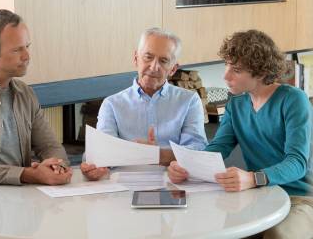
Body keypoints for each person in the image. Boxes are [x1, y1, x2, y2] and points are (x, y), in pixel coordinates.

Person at [168, 29, 313, 239]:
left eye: (236, 69)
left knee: (279, 236)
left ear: (261, 72)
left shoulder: (293, 100)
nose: (225, 75)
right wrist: (188, 167)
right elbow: (218, 147)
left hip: (301, 198)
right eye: (227, 65)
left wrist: (254, 178)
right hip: (260, 194)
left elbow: (297, 163)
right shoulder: (236, 104)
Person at [81, 27, 208, 180]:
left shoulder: (189, 101)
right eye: (148, 57)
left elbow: (196, 150)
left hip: (173, 183)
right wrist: (96, 165)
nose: (154, 67)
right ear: (136, 58)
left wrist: (156, 155)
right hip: (123, 187)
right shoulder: (112, 104)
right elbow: (101, 151)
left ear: (173, 69)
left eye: (163, 61)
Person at [0, 9, 72, 185]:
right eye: (17, 50)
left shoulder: (26, 94)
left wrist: (56, 166)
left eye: (27, 46)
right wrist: (27, 174)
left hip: (23, 199)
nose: (27, 56)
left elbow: (51, 147)